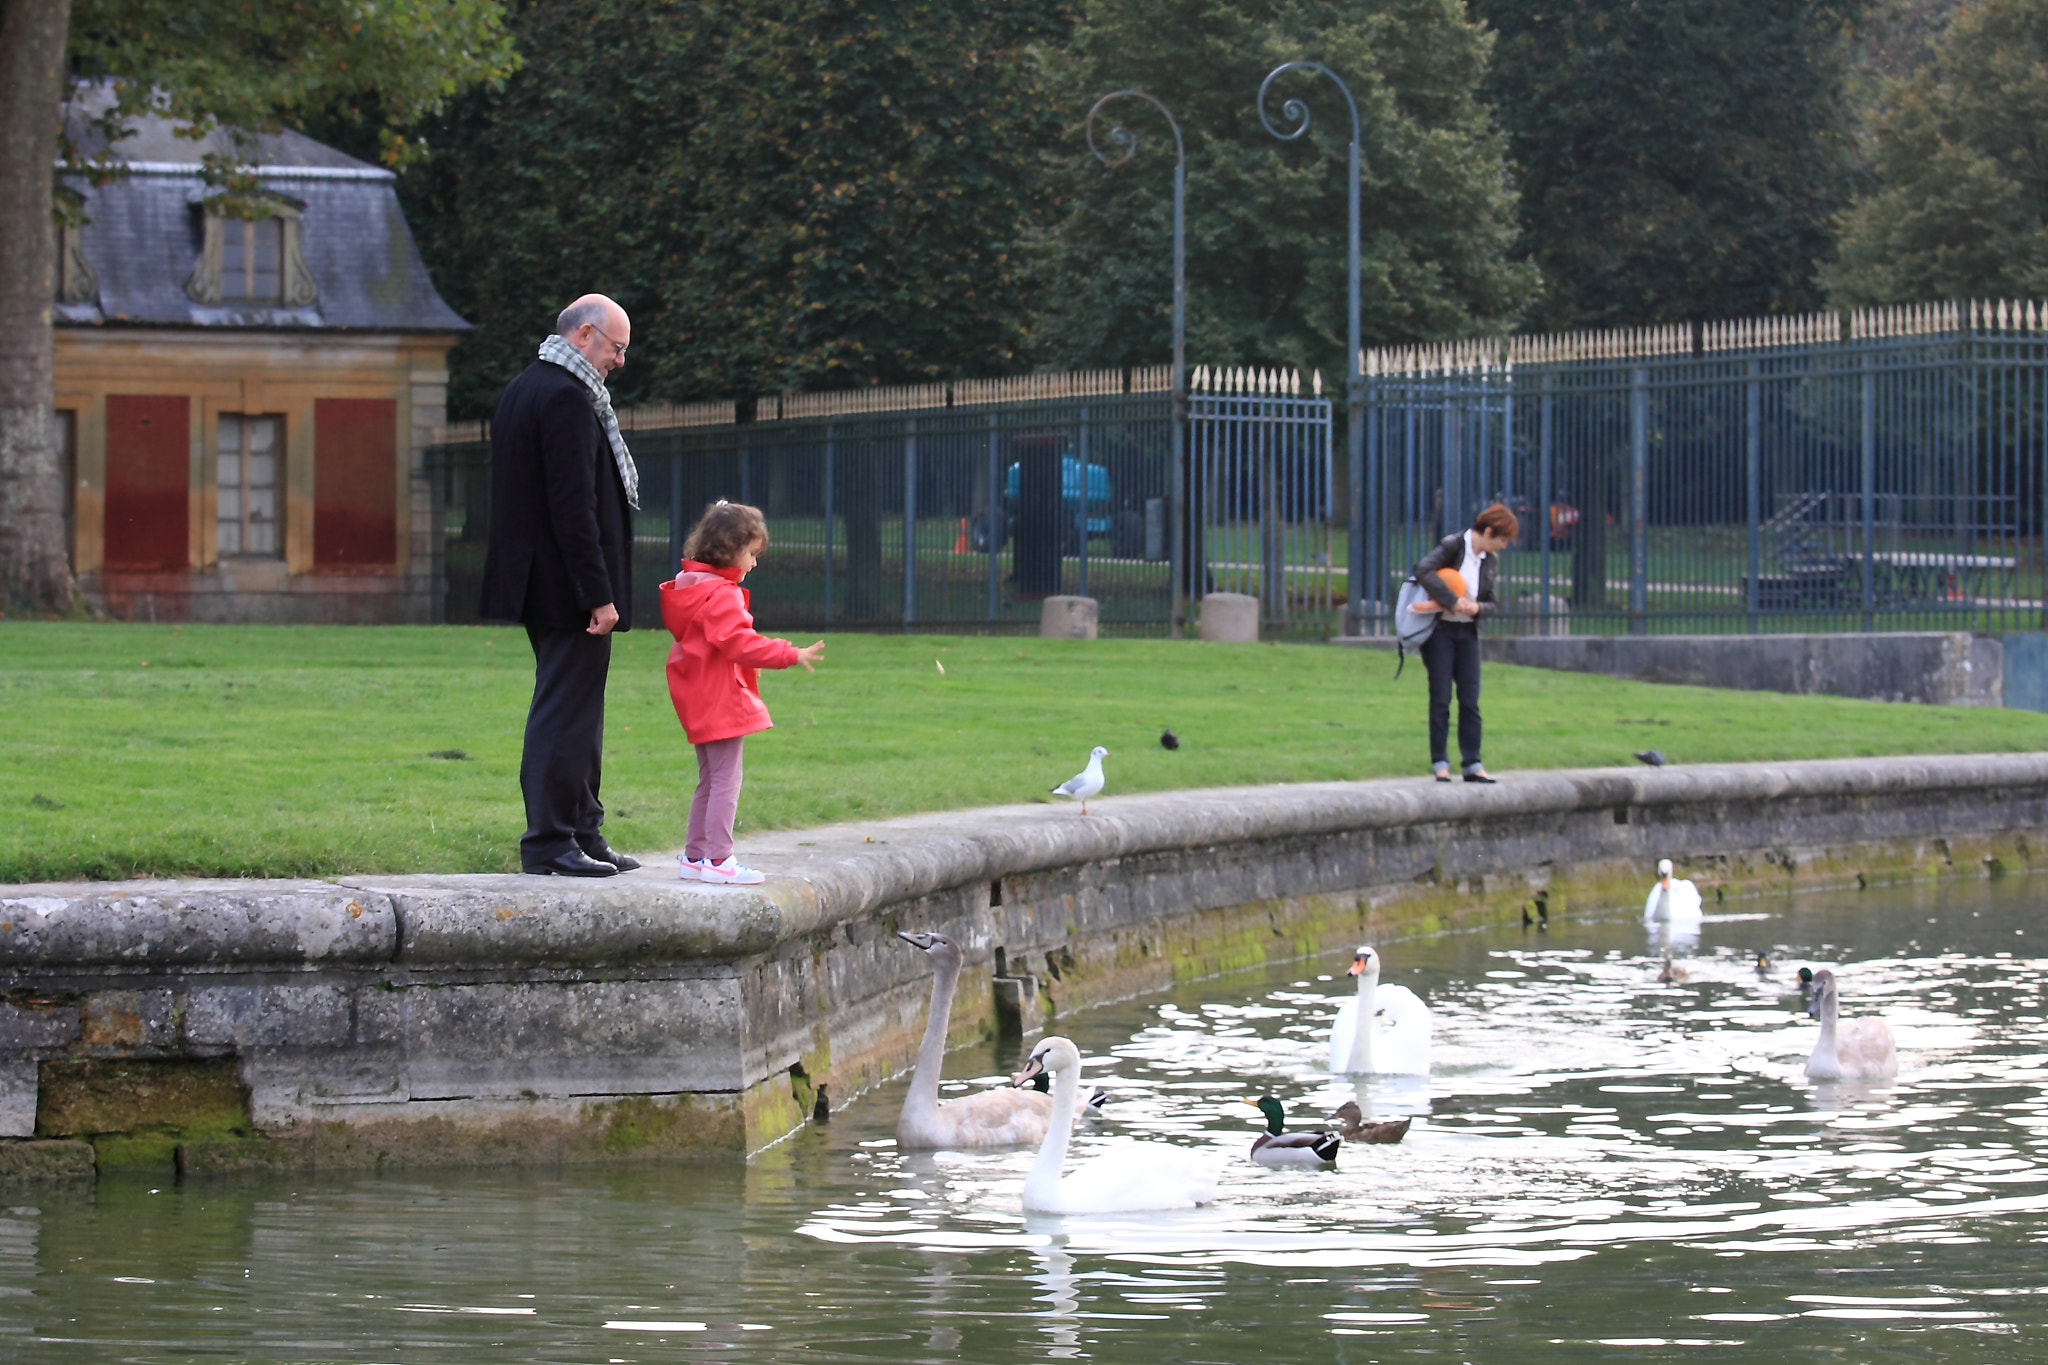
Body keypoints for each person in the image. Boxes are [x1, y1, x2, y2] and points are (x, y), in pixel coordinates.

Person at [478, 294, 642, 876]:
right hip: (568, 586)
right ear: (585, 336)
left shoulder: (526, 388)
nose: (619, 361)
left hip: (540, 581)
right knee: (565, 710)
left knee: (578, 707)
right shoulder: (568, 399)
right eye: (616, 348)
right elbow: (574, 509)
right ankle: (551, 841)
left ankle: (583, 831)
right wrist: (597, 593)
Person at [661, 500, 825, 885]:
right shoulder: (721, 595)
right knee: (726, 779)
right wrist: (790, 653)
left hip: (698, 695)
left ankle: (695, 856)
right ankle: (719, 860)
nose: (753, 564)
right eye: (751, 554)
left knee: (710, 777)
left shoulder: (691, 588)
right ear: (729, 550)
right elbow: (741, 644)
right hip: (719, 697)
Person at [1413, 503, 1518, 784]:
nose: (1503, 546)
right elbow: (1423, 570)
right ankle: (1440, 763)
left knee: (1470, 700)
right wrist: (1451, 601)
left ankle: (1472, 762)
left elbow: (1492, 602)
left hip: (1467, 633)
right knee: (1441, 698)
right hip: (1440, 632)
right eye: (1502, 539)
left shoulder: (1489, 560)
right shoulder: (1453, 546)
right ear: (1487, 531)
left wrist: (1476, 609)